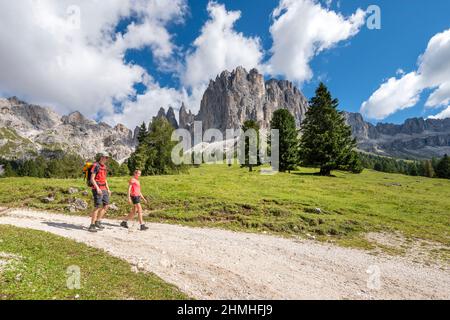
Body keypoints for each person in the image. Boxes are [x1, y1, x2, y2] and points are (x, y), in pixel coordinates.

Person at [88, 153, 111, 233]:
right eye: (105, 157)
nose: (106, 159)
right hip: (97, 188)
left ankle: (98, 221)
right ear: (101, 157)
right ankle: (92, 225)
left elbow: (105, 179)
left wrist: (108, 189)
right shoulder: (96, 165)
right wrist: (97, 188)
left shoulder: (104, 167)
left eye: (107, 158)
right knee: (97, 206)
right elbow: (92, 179)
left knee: (106, 205)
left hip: (104, 188)